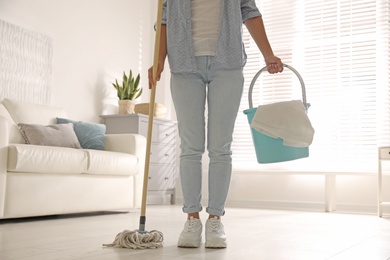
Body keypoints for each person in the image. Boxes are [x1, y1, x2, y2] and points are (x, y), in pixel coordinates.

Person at [148, 0, 283, 249]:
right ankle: (191, 219)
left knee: (221, 146)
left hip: (228, 64)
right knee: (191, 146)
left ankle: (215, 219)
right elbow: (164, 18)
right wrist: (159, 60)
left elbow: (249, 12)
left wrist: (268, 54)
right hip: (184, 64)